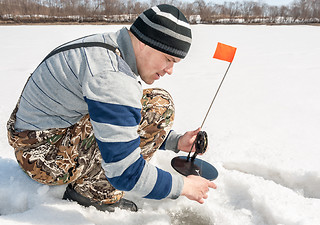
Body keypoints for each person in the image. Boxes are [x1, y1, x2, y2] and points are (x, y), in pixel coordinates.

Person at [7, 4, 216, 212]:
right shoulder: (111, 76)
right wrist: (184, 186)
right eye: (168, 59)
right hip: (43, 158)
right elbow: (125, 172)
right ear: (144, 43)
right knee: (159, 105)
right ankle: (94, 194)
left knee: (152, 104)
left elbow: (119, 119)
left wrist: (175, 141)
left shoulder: (110, 46)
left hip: (41, 136)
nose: (170, 70)